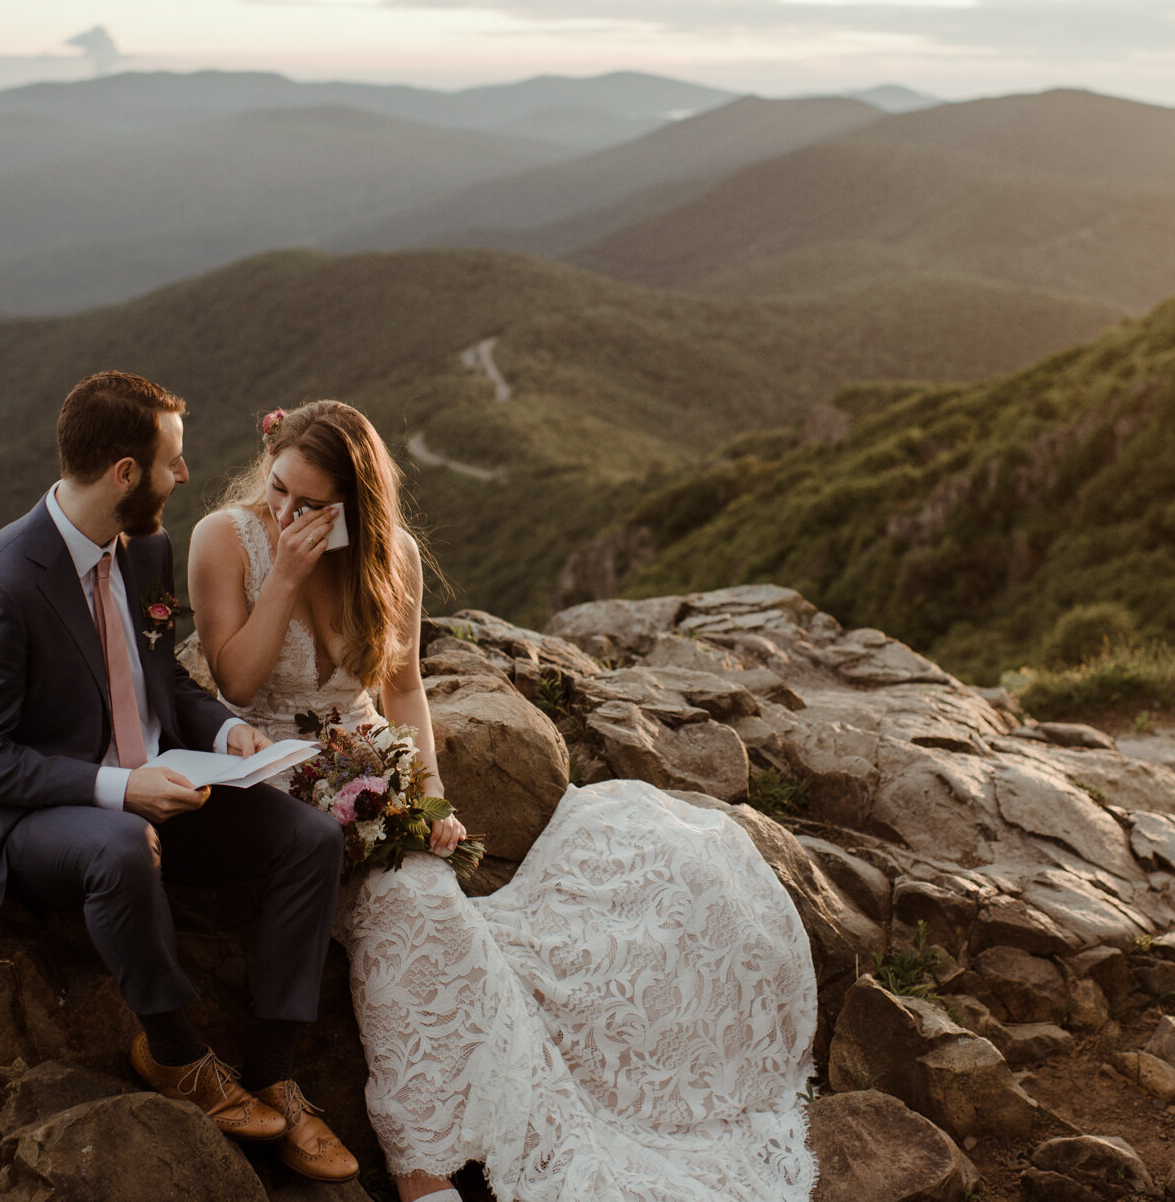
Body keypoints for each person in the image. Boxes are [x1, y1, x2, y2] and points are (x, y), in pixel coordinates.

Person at [189, 399, 817, 1202]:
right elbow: (235, 681)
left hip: (369, 764)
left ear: (356, 506)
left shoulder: (393, 557)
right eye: (279, 488)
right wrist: (284, 571)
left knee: (414, 900)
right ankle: (424, 1166)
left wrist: (428, 801)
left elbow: (404, 692)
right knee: (409, 911)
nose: (287, 512)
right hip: (274, 765)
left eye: (310, 505)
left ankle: (430, 1163)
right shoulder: (225, 540)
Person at [0, 371, 359, 1183]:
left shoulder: (145, 546)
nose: (185, 475)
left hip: (164, 782)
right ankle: (179, 1053)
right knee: (123, 846)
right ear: (125, 472)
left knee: (312, 835)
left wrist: (225, 729)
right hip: (41, 813)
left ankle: (272, 1068)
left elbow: (166, 681)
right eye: (172, 461)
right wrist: (121, 790)